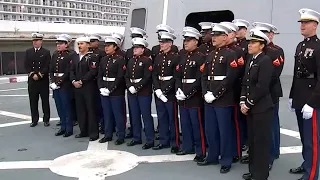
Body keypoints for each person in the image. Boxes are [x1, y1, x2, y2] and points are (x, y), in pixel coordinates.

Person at [198, 23, 239, 174]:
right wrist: (205, 93)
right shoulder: (210, 55)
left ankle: (226, 160)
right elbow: (204, 76)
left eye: (217, 36)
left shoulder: (230, 54)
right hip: (209, 99)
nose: (213, 38)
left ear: (225, 37)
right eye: (213, 35)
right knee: (210, 130)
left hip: (223, 99)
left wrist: (215, 94)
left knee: (224, 131)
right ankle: (212, 156)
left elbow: (230, 78)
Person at [288, 8, 320, 180]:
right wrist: (293, 95)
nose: (302, 25)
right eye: (301, 22)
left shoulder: (318, 47)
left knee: (312, 140)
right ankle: (306, 163)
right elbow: (296, 73)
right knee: (304, 136)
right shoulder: (301, 46)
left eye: (306, 23)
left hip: (312, 99)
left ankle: (312, 174)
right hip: (300, 96)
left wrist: (313, 102)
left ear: (314, 25)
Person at [241, 29, 274, 180]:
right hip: (251, 108)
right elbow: (245, 84)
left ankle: (261, 175)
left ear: (262, 45)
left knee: (261, 142)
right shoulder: (251, 60)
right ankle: (253, 171)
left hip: (261, 108)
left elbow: (262, 86)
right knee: (253, 142)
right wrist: (242, 101)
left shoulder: (265, 61)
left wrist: (248, 104)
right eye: (249, 42)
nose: (250, 45)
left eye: (253, 42)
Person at [252, 21, 285, 169]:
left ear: (271, 34)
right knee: (260, 126)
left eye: (265, 33)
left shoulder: (276, 51)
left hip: (270, 93)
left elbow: (273, 76)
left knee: (271, 125)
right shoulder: (256, 51)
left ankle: (271, 155)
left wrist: (260, 89)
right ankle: (263, 153)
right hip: (258, 93)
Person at [175, 27, 206, 163]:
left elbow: (200, 79)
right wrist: (178, 91)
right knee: (185, 123)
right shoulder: (182, 56)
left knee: (197, 125)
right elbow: (177, 76)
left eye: (188, 40)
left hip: (194, 97)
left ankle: (200, 150)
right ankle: (187, 146)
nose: (185, 43)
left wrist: (187, 93)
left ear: (196, 41)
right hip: (182, 95)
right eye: (185, 40)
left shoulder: (201, 57)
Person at [220, 21, 246, 163]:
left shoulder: (238, 50)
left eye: (229, 32)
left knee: (235, 123)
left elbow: (239, 72)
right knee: (225, 124)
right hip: (221, 92)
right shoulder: (218, 50)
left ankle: (236, 150)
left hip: (234, 91)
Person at [152, 31, 180, 153]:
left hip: (169, 93)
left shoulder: (175, 57)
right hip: (159, 91)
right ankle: (164, 141)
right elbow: (154, 74)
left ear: (170, 43)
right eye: (160, 42)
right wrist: (158, 90)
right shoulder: (158, 57)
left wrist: (164, 91)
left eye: (163, 43)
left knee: (172, 118)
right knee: (161, 117)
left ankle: (175, 142)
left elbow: (175, 76)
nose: (161, 44)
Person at [125, 37, 155, 149]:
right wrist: (129, 86)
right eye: (134, 47)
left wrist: (137, 87)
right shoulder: (131, 61)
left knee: (146, 116)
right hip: (132, 91)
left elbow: (147, 77)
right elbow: (127, 75)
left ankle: (150, 139)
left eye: (138, 48)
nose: (135, 49)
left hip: (143, 92)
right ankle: (136, 138)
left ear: (143, 49)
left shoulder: (147, 61)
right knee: (134, 115)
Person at [98, 36, 127, 145]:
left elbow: (120, 77)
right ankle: (108, 134)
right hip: (104, 89)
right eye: (105, 46)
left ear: (115, 47)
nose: (106, 48)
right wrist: (101, 88)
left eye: (109, 46)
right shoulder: (104, 59)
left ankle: (120, 135)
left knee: (118, 114)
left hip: (115, 91)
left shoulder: (120, 60)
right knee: (107, 113)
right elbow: (100, 75)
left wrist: (110, 89)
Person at [70, 36, 99, 141]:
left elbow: (92, 72)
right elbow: (71, 70)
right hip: (77, 87)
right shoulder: (75, 57)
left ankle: (93, 133)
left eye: (82, 44)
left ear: (88, 45)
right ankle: (83, 131)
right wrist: (73, 81)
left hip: (88, 87)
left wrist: (82, 81)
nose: (79, 46)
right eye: (78, 44)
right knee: (80, 109)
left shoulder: (93, 57)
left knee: (91, 109)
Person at [50, 34, 76, 137]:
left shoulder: (71, 55)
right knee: (59, 106)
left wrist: (58, 82)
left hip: (65, 85)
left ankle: (69, 128)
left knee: (67, 107)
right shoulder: (55, 54)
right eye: (57, 43)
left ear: (67, 44)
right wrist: (52, 81)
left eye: (61, 43)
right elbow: (51, 69)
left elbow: (68, 71)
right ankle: (63, 127)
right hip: (55, 84)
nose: (58, 45)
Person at [24, 32, 51, 127]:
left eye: (37, 40)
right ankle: (34, 119)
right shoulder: (28, 51)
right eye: (33, 40)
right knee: (33, 101)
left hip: (42, 81)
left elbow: (47, 65)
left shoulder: (46, 52)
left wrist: (40, 75)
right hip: (32, 81)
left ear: (41, 41)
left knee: (45, 101)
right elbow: (26, 65)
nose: (35, 42)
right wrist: (32, 74)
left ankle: (46, 119)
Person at [88, 34, 106, 134]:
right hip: (89, 83)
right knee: (92, 105)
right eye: (90, 41)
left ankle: (102, 124)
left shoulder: (101, 53)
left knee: (100, 105)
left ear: (97, 42)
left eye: (93, 41)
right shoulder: (87, 53)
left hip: (97, 82)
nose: (91, 43)